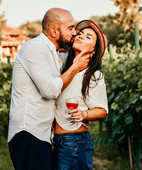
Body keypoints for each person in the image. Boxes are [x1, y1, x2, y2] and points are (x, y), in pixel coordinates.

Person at [8, 8, 89, 170]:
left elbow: (82, 60)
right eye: (70, 28)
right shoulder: (34, 48)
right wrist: (75, 67)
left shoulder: (56, 55)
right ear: (54, 31)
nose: (75, 33)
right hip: (28, 134)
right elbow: (50, 90)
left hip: (43, 135)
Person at [53, 20, 108, 170]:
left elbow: (102, 111)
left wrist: (83, 114)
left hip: (75, 142)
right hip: (55, 140)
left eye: (88, 37)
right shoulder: (64, 68)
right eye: (80, 33)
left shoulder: (93, 75)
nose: (81, 36)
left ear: (94, 51)